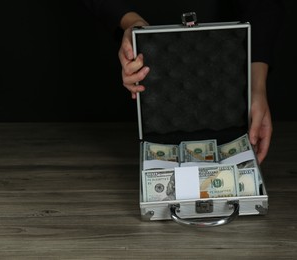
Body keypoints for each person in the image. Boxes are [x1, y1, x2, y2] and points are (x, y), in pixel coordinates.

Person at [82, 0, 284, 164]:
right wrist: (134, 27)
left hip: (229, 103)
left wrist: (256, 88)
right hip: (124, 123)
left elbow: (262, 6)